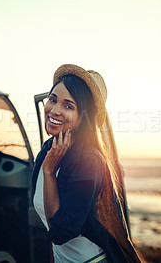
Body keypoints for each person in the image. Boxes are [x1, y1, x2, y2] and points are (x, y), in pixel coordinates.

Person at [32, 64, 141, 262]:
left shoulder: (88, 161)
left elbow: (60, 233)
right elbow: (50, 230)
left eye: (68, 106)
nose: (54, 110)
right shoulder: (46, 151)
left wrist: (49, 172)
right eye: (53, 100)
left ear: (83, 118)